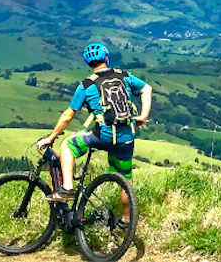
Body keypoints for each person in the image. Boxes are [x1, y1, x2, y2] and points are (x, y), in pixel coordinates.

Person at [36, 43, 152, 221]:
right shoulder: (124, 76)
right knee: (125, 180)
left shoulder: (86, 85)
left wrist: (51, 137)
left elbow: (68, 115)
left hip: (103, 136)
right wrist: (143, 116)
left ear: (88, 64)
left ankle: (67, 188)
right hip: (126, 137)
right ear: (106, 58)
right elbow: (147, 88)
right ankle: (127, 220)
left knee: (67, 145)